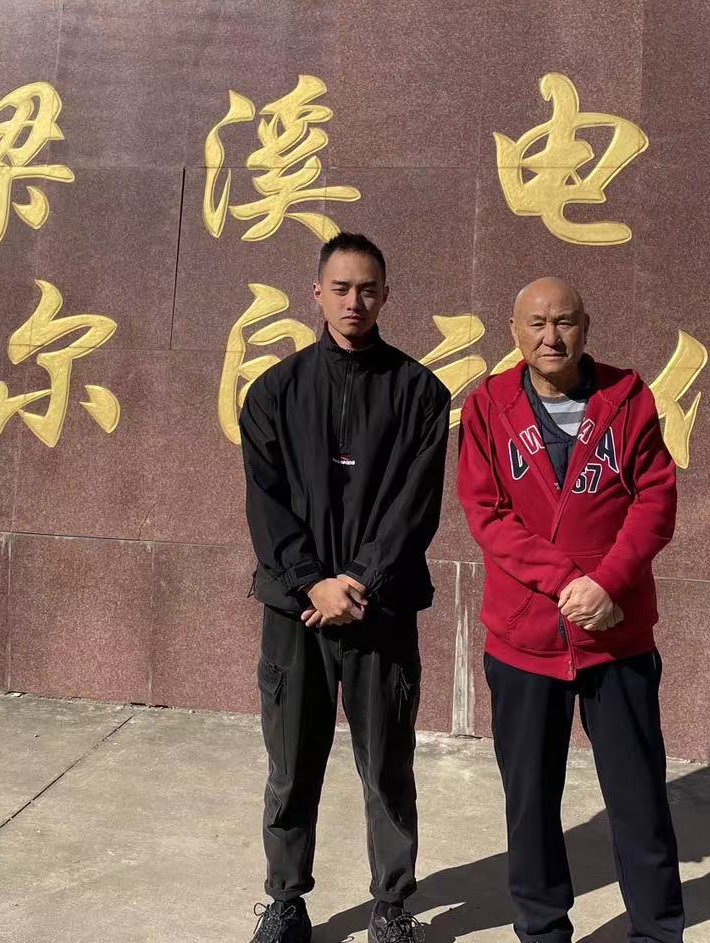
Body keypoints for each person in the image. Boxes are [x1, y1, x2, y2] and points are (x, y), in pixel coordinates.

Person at [457, 277, 684, 943]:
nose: (550, 337)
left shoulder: (627, 399)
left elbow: (655, 500)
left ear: (586, 326)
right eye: (536, 323)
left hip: (617, 636)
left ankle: (657, 932)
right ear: (513, 331)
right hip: (524, 639)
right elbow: (486, 513)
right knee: (530, 804)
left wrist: (608, 584)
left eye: (564, 322)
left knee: (638, 800)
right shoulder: (488, 407)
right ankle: (542, 930)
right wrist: (567, 584)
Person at [242, 232, 451, 943]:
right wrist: (312, 584)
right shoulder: (274, 392)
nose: (353, 301)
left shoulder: (420, 392)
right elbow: (266, 505)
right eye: (340, 288)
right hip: (295, 613)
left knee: (386, 766)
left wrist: (358, 579)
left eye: (366, 289)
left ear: (386, 295)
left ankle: (391, 905)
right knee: (290, 765)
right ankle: (285, 901)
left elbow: (414, 507)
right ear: (317, 294)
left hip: (380, 609)